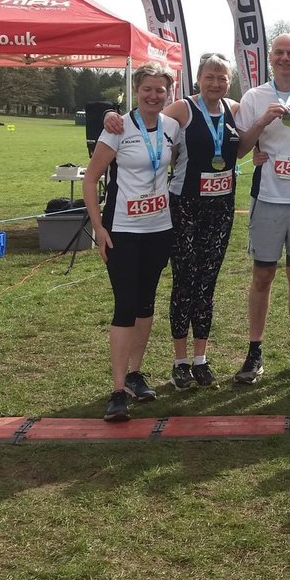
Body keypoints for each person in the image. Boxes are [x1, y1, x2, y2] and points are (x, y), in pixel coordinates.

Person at [102, 54, 256, 391]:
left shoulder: (233, 108)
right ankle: (180, 361)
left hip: (221, 208)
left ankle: (201, 359)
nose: (216, 82)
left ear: (228, 81)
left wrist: (259, 135)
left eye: (222, 77)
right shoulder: (183, 109)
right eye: (210, 76)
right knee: (185, 282)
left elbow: (240, 147)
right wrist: (110, 114)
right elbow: (143, 118)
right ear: (198, 78)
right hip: (184, 207)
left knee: (207, 283)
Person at [84, 63, 181, 422]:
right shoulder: (118, 128)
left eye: (160, 91)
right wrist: (99, 227)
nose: (154, 96)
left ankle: (137, 374)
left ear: (168, 94)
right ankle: (117, 388)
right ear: (136, 92)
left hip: (159, 229)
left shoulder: (172, 127)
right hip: (122, 230)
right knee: (124, 306)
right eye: (147, 90)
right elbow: (91, 179)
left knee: (145, 303)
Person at [232, 33, 290, 383]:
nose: (286, 58)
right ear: (271, 59)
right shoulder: (254, 96)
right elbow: (240, 150)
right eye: (280, 53)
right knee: (262, 277)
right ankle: (254, 352)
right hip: (268, 200)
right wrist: (260, 124)